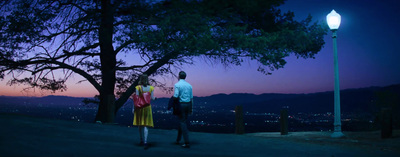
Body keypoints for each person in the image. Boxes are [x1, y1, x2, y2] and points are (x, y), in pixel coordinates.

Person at [132, 74, 156, 150]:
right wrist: (155, 98)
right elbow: (152, 98)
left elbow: (136, 99)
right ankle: (145, 141)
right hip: (147, 108)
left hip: (140, 108)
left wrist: (134, 108)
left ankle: (141, 139)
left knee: (140, 124)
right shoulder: (151, 88)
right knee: (146, 125)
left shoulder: (138, 87)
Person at [173, 71, 193, 148]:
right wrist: (191, 108)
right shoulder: (189, 86)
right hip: (188, 104)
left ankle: (187, 142)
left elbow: (176, 95)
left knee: (182, 122)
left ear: (179, 76)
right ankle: (178, 140)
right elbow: (191, 98)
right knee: (182, 121)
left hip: (181, 104)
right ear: (185, 77)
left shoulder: (177, 85)